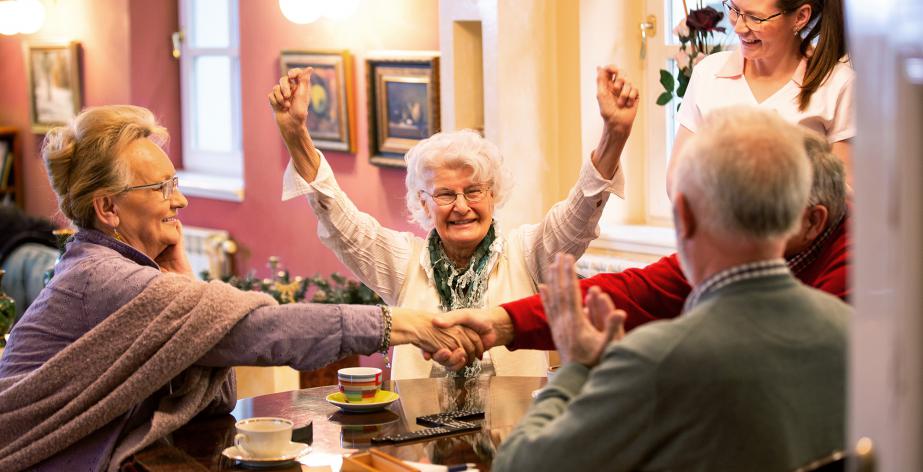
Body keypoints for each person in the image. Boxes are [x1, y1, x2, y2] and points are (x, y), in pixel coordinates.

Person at [0, 105, 479, 472]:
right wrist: (401, 324)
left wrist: (184, 282)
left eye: (176, 183)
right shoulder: (103, 277)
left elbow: (217, 396)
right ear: (108, 208)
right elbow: (260, 329)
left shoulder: (122, 270)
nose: (181, 200)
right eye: (162, 188)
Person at [492, 106, 850, 471]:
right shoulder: (853, 332)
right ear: (793, 214)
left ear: (684, 215)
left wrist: (578, 368)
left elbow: (520, 465)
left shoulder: (657, 361)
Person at [269, 66, 639, 379]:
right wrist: (295, 134)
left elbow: (576, 217)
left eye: (474, 191)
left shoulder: (526, 253)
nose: (462, 206)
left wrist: (614, 136)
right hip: (417, 443)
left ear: (493, 194)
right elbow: (342, 224)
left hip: (514, 439)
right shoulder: (403, 262)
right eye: (445, 195)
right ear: (423, 204)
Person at [429, 126, 849, 356]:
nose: (743, 222)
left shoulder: (858, 270)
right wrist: (501, 322)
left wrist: (591, 363)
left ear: (814, 221)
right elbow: (636, 293)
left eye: (771, 207)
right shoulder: (751, 246)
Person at [672, 0, 854, 184]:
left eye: (755, 18)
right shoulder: (708, 73)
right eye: (734, 9)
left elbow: (842, 194)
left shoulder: (838, 84)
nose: (739, 28)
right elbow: (676, 179)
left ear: (800, 17)